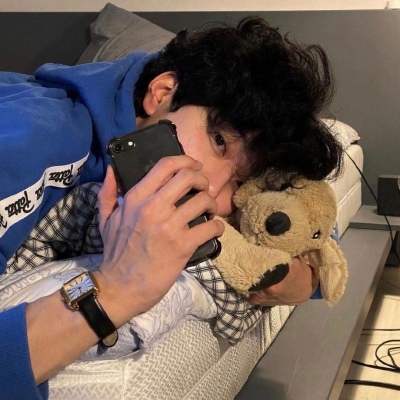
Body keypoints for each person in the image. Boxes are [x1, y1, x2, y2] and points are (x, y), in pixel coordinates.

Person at [0, 16, 343, 399]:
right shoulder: (34, 143)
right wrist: (116, 287)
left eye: (239, 182)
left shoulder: (168, 113)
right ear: (161, 92)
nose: (213, 188)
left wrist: (306, 280)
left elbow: (306, 214)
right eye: (218, 140)